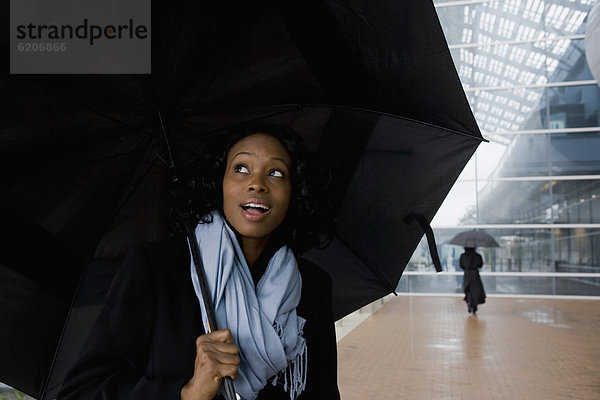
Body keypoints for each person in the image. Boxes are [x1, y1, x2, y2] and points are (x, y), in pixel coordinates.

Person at [57, 123, 340, 400]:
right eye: (241, 169)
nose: (257, 184)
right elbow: (81, 392)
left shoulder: (312, 285)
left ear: (295, 192)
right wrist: (187, 393)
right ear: (220, 184)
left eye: (276, 173)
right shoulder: (156, 268)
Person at [458, 247, 486, 314]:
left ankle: (469, 302)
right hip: (475, 274)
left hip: (467, 274)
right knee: (476, 290)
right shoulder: (477, 256)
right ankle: (474, 306)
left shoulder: (463, 256)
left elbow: (461, 265)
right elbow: (480, 265)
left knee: (468, 289)